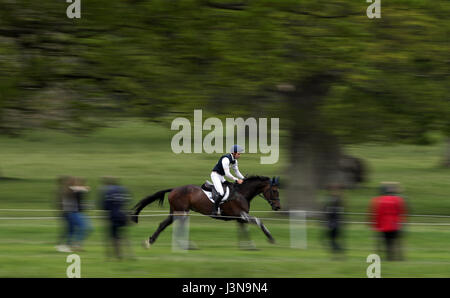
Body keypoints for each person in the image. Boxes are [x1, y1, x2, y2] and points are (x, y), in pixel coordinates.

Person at [369, 182, 407, 261]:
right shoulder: (398, 199)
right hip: (395, 223)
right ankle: (399, 257)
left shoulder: (378, 200)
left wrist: (375, 225)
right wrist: (402, 222)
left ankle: (387, 257)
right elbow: (401, 212)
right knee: (396, 241)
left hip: (384, 224)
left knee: (385, 241)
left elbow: (377, 213)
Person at [100, 176, 133, 259]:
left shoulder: (107, 192)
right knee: (124, 235)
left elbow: (105, 206)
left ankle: (118, 255)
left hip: (113, 216)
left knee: (114, 237)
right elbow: (127, 202)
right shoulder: (122, 190)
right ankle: (131, 254)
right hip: (123, 216)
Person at [210, 145, 245, 216]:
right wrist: (237, 180)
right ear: (233, 153)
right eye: (238, 154)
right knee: (221, 192)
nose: (240, 155)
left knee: (231, 188)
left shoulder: (234, 161)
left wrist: (244, 179)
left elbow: (236, 172)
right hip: (215, 176)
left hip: (221, 177)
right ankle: (215, 210)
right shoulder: (226, 159)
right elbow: (227, 174)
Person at [323, 184, 345, 256]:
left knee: (332, 240)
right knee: (332, 239)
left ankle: (338, 250)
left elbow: (331, 212)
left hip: (334, 223)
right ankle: (337, 251)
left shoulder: (334, 200)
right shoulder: (335, 200)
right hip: (334, 223)